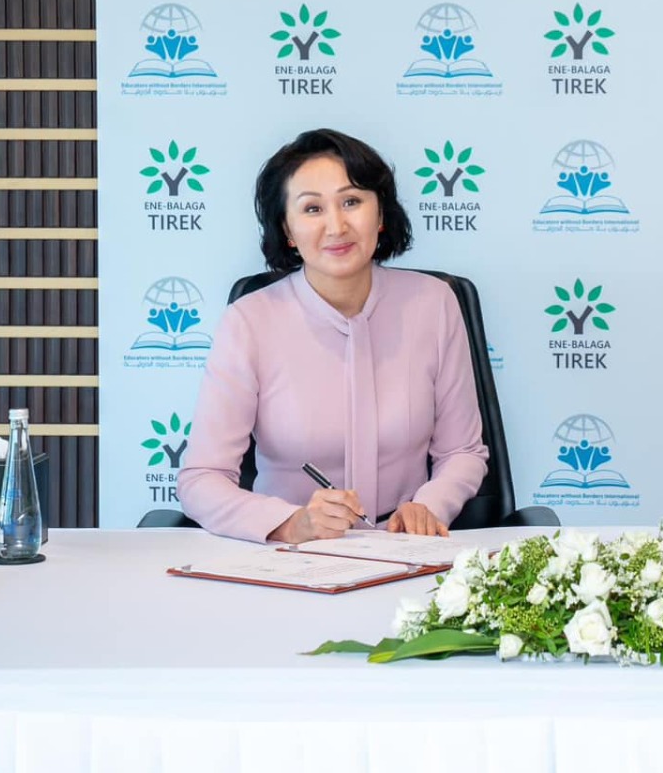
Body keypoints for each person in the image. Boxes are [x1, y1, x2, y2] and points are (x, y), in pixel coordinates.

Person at [179, 129, 488, 543]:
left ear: (380, 215)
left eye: (352, 202)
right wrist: (291, 523)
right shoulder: (250, 321)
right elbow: (202, 479)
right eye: (312, 208)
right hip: (291, 557)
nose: (336, 226)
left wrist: (429, 507)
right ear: (288, 230)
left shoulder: (433, 303)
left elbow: (462, 452)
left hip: (406, 550)